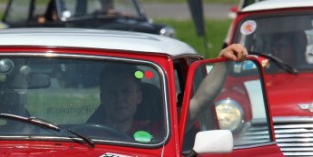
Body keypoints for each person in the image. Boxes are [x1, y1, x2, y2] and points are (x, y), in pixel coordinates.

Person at [95, 44, 248, 136]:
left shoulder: (161, 131)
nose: (119, 98)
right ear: (102, 98)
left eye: (126, 91)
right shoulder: (87, 137)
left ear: (139, 97)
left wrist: (223, 61)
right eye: (112, 93)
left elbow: (201, 101)